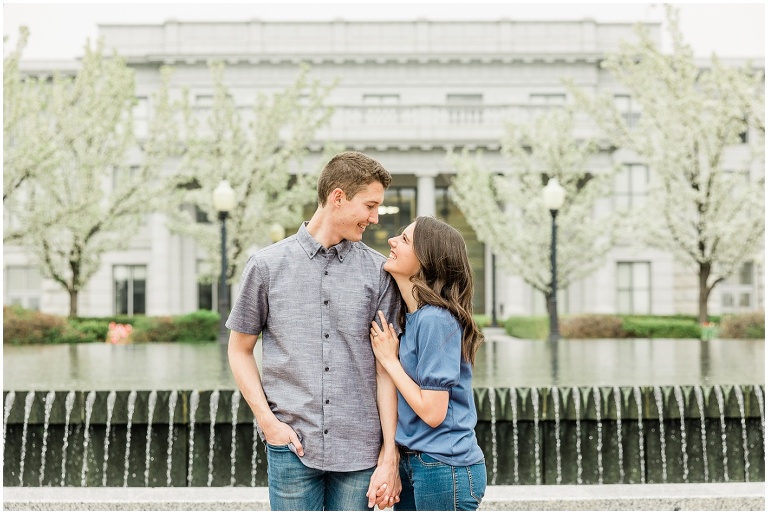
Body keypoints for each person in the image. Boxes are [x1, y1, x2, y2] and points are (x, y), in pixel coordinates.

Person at [227, 151, 402, 511]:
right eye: (370, 206)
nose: (374, 217)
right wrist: (267, 422)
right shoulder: (266, 266)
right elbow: (239, 349)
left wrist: (390, 454)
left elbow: (386, 368)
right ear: (338, 197)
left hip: (360, 453)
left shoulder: (379, 273)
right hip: (292, 447)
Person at [369, 215, 487, 511]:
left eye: (404, 240)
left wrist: (390, 361)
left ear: (426, 260)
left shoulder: (436, 320)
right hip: (419, 463)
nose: (391, 241)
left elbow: (433, 412)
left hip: (444, 467)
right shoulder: (414, 318)